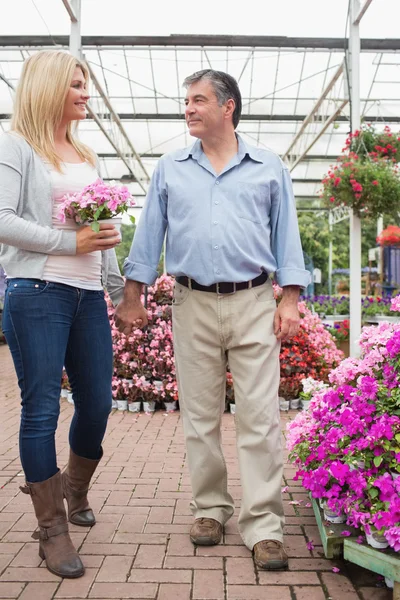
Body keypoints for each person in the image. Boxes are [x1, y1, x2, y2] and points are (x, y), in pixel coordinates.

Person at [115, 69, 310, 570]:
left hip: (252, 302)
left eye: (198, 100)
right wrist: (132, 294)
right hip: (191, 301)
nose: (188, 108)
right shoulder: (170, 168)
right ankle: (209, 509)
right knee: (200, 418)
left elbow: (287, 236)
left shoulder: (268, 166)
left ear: (228, 107)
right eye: (187, 101)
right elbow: (148, 235)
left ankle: (264, 526)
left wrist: (289, 299)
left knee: (260, 420)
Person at [0, 50, 124, 579]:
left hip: (86, 295)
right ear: (49, 88)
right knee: (42, 409)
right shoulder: (16, 146)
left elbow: (100, 227)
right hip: (36, 292)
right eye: (76, 85)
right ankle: (52, 530)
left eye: (86, 85)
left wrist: (118, 286)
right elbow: (2, 219)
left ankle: (75, 488)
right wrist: (67, 240)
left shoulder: (84, 152)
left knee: (97, 403)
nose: (85, 94)